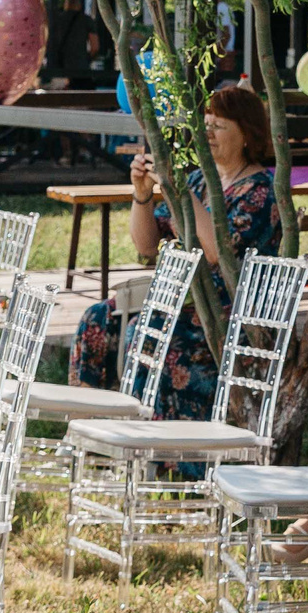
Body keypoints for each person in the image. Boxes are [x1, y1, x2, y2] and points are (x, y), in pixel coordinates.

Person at [68, 86, 281, 419]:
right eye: (205, 124)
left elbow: (216, 254)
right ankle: (91, 425)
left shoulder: (260, 192)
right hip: (181, 299)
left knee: (147, 330)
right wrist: (142, 194)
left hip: (227, 312)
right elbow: (146, 246)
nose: (208, 133)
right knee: (96, 318)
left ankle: (149, 436)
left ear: (247, 135)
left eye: (219, 126)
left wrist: (178, 190)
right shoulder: (198, 181)